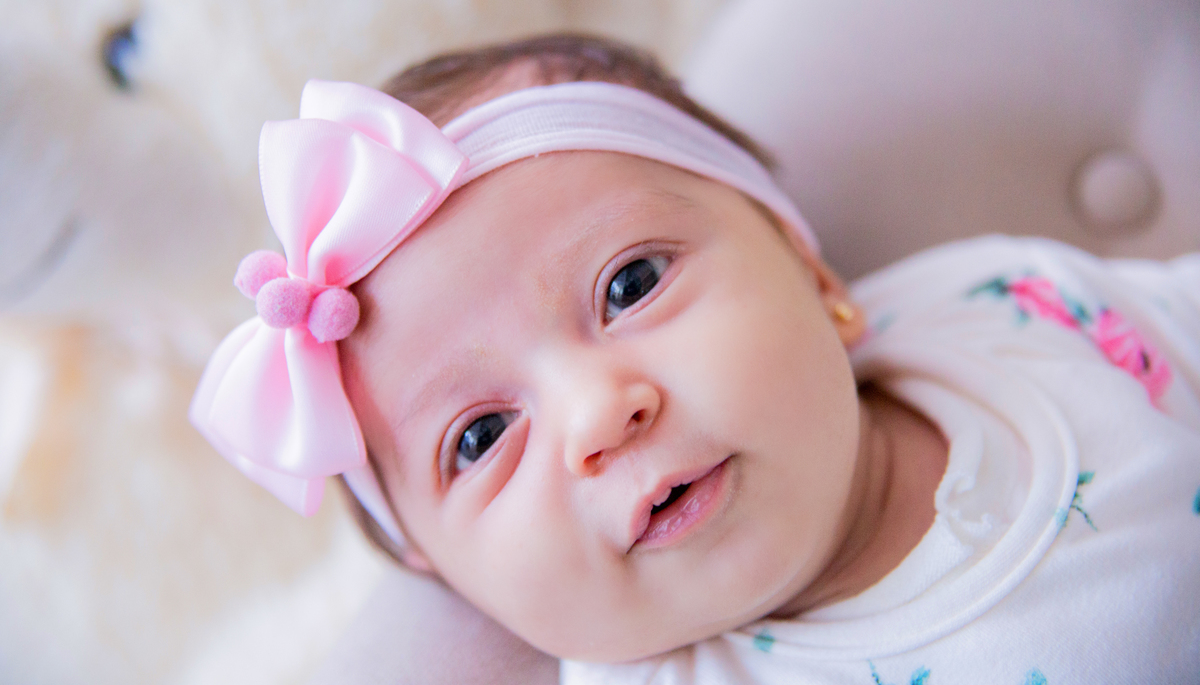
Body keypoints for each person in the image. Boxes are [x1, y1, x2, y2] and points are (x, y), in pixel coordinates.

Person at [191, 35, 1200, 684]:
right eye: (482, 434)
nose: (598, 414)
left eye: (630, 285)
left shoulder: (1003, 310)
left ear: (810, 270)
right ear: (454, 580)